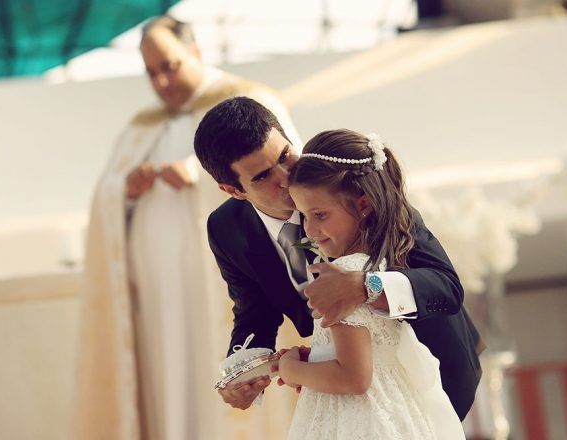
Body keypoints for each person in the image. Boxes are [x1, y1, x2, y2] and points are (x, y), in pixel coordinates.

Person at [75, 16, 300, 440]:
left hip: (217, 290)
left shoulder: (249, 102)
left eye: (170, 66)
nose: (161, 82)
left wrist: (196, 176)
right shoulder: (141, 126)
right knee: (170, 380)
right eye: (151, 72)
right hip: (160, 301)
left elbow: (291, 187)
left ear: (195, 52)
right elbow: (104, 194)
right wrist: (124, 189)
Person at [194, 97, 482, 420]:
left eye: (285, 156)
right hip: (355, 399)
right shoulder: (226, 229)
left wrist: (366, 286)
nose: (286, 177)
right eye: (262, 176)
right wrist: (241, 373)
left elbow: (445, 286)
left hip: (438, 370)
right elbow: (254, 313)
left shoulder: (350, 183)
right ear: (234, 190)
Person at [280, 128, 465, 439]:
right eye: (304, 216)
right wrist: (317, 358)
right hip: (395, 406)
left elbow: (354, 378)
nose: (309, 230)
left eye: (320, 215)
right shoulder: (365, 261)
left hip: (376, 412)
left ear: (364, 205)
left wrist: (290, 370)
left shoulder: (342, 274)